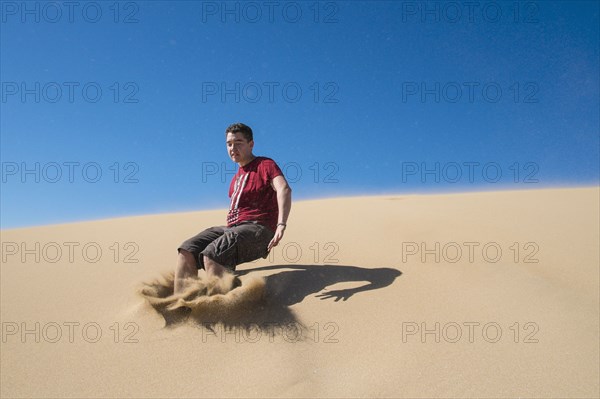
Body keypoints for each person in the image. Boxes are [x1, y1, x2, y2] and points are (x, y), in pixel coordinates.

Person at [174, 123, 292, 294]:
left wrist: (281, 224)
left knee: (213, 253)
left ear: (251, 144)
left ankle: (222, 309)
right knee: (188, 248)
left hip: (258, 229)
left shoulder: (264, 164)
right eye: (229, 144)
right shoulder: (235, 179)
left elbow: (284, 189)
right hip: (232, 229)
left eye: (238, 142)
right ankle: (181, 304)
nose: (233, 148)